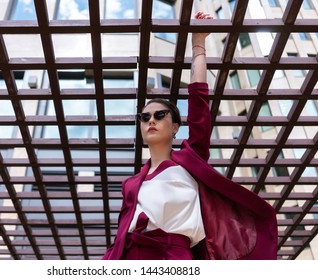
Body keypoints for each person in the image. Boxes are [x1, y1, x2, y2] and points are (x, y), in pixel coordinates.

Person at [102, 12, 278, 260]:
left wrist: (198, 45)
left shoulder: (190, 159)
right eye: (144, 117)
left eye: (160, 115)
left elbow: (198, 105)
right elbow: (119, 237)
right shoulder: (130, 184)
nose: (151, 120)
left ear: (175, 126)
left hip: (175, 257)